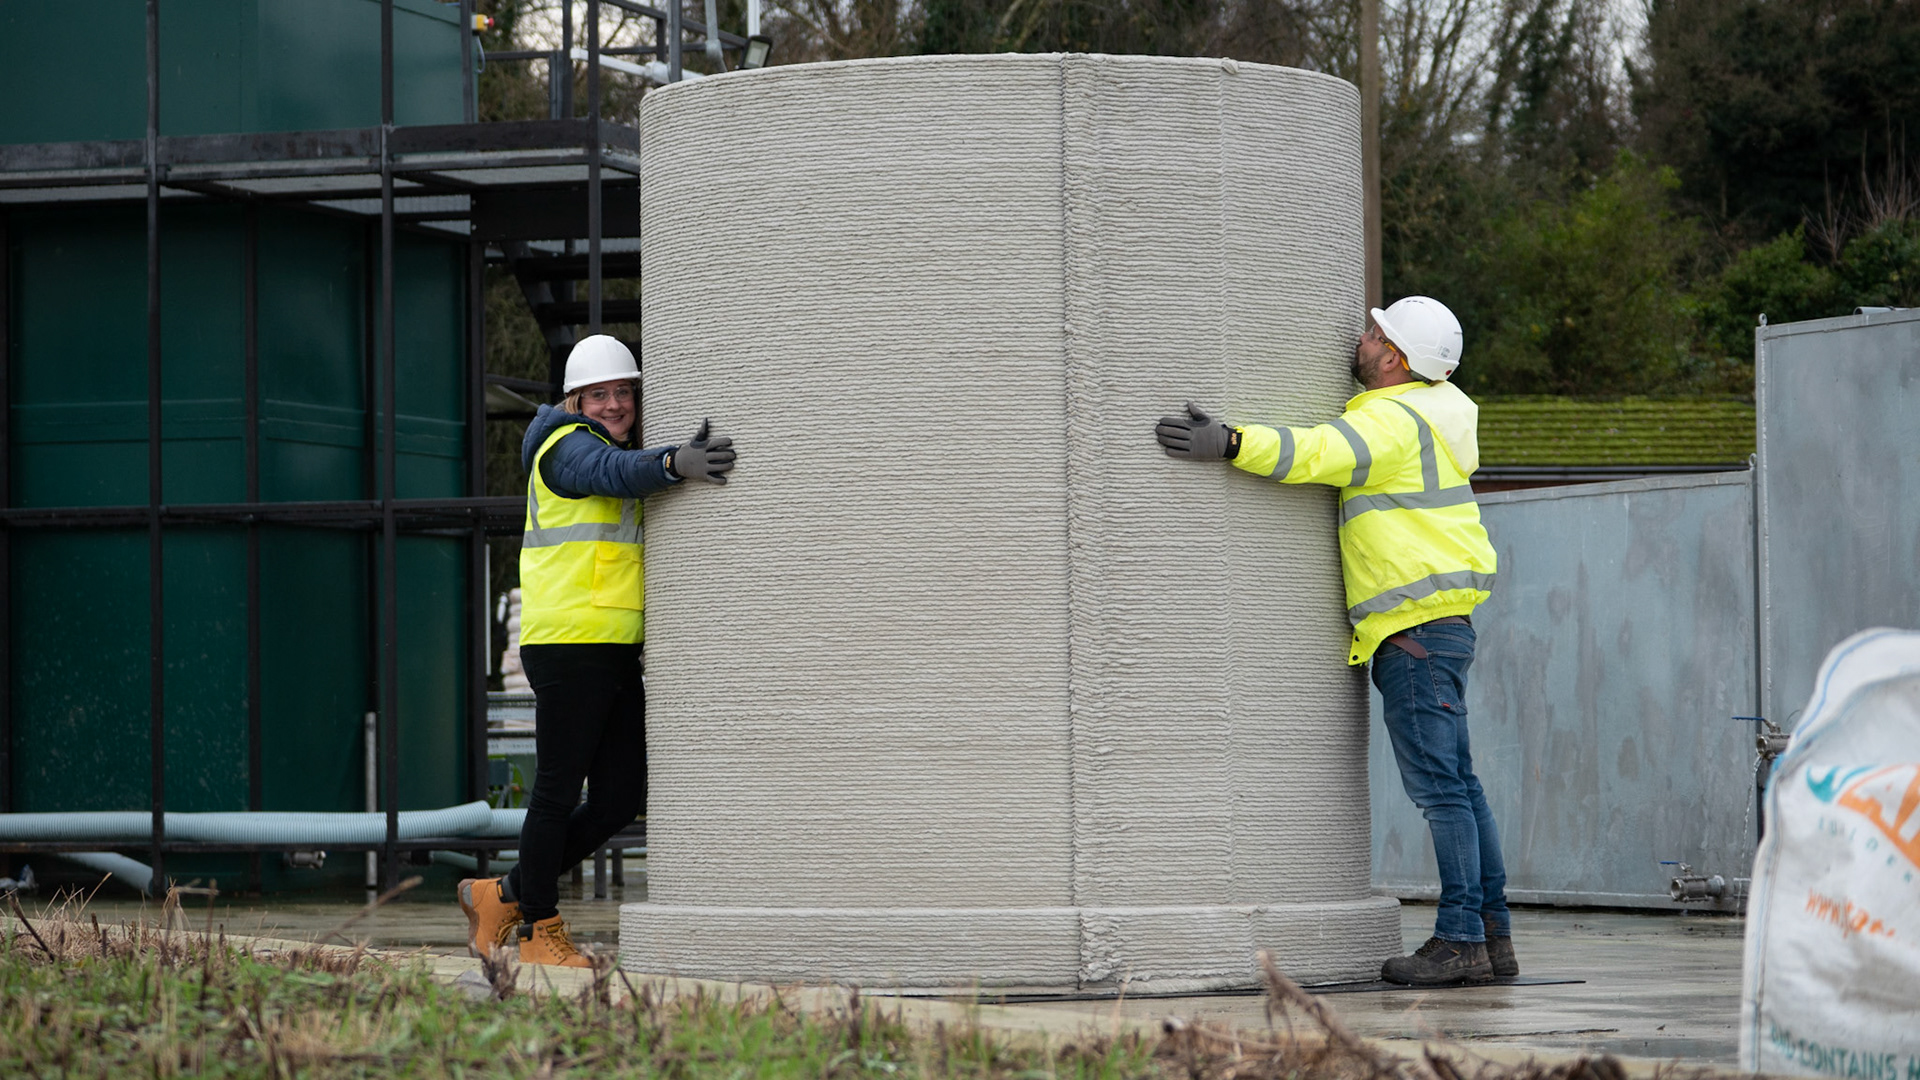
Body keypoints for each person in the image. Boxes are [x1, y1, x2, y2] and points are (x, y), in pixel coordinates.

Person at [1153, 296, 1513, 987]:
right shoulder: (1438, 417)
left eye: (1376, 334)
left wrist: (1230, 441)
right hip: (1442, 628)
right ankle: (1492, 939)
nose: (1362, 337)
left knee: (1443, 793)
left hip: (1412, 633)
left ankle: (1461, 939)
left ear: (1397, 360)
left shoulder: (1391, 420)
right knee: (1462, 788)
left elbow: (1316, 452)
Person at [458, 334, 735, 966]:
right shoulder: (565, 447)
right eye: (599, 394)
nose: (614, 404)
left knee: (618, 799)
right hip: (567, 645)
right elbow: (607, 474)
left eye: (623, 392)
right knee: (556, 793)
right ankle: (540, 931)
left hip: (612, 648)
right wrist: (674, 464)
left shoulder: (606, 445)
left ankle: (502, 895)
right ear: (575, 401)